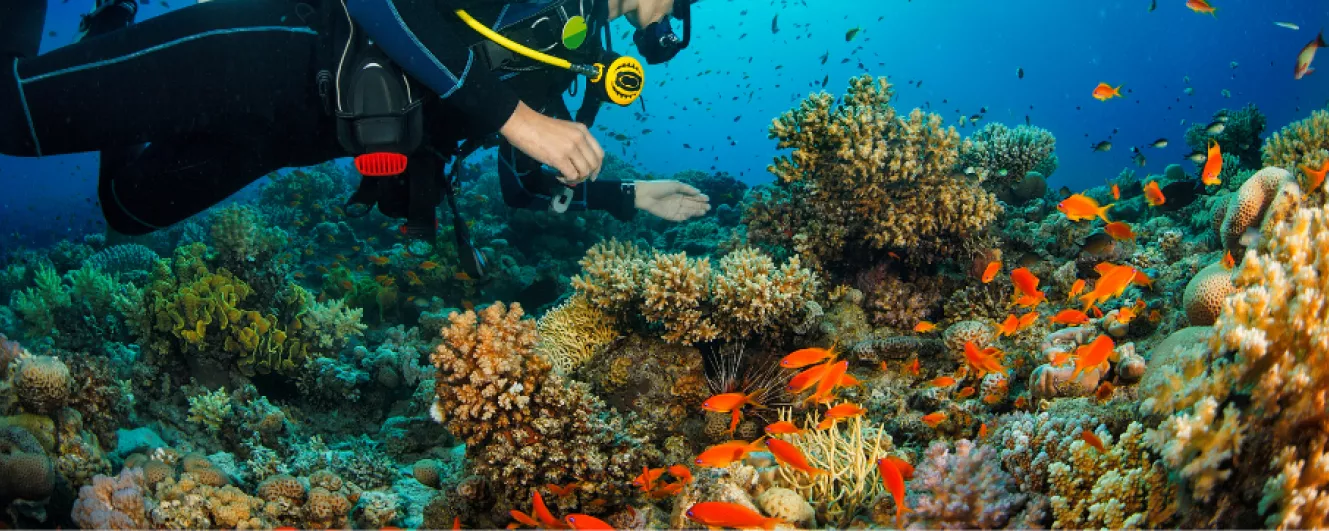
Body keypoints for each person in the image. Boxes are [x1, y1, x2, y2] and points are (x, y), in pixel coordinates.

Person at [0, 0, 710, 276]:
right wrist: (519, 120)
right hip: (272, 50)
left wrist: (627, 195)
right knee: (11, 115)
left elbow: (524, 184)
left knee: (129, 207)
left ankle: (109, 33)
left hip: (282, 139)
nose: (677, 11)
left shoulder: (578, 61)